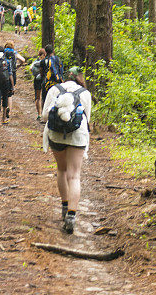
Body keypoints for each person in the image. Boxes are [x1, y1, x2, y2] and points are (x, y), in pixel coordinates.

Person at [42, 67, 92, 234]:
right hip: (78, 135)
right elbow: (87, 118)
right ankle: (72, 215)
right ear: (80, 78)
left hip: (56, 135)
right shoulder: (85, 93)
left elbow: (44, 116)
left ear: (64, 78)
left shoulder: (54, 89)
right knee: (74, 175)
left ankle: (64, 207)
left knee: (62, 170)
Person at [3, 41, 25, 121]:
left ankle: (4, 110)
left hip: (4, 74)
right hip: (13, 74)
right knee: (10, 94)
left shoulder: (3, 52)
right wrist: (18, 66)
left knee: (4, 93)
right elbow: (23, 60)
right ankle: (9, 112)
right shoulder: (14, 53)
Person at [31, 48, 46, 121]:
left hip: (37, 80)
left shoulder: (35, 62)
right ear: (44, 54)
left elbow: (31, 68)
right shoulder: (45, 61)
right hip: (44, 79)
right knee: (44, 97)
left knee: (37, 97)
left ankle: (39, 114)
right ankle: (44, 114)